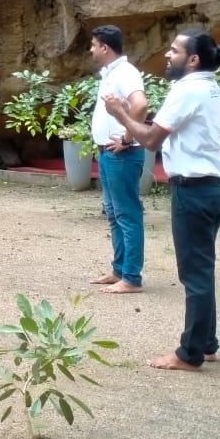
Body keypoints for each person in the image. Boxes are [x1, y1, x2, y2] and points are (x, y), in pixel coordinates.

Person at [104, 30, 220, 372]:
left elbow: (150, 140)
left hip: (194, 191)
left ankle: (190, 354)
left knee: (194, 274)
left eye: (175, 50)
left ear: (194, 59)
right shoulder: (209, 86)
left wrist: (120, 113)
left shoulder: (188, 89)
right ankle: (206, 344)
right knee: (202, 270)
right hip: (211, 188)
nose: (167, 55)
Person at [87, 25, 149, 294]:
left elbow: (141, 105)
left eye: (93, 45)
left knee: (126, 214)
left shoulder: (126, 72)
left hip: (122, 154)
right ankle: (119, 270)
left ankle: (131, 277)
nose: (91, 49)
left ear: (105, 47)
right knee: (114, 213)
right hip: (108, 153)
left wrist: (127, 138)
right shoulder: (112, 73)